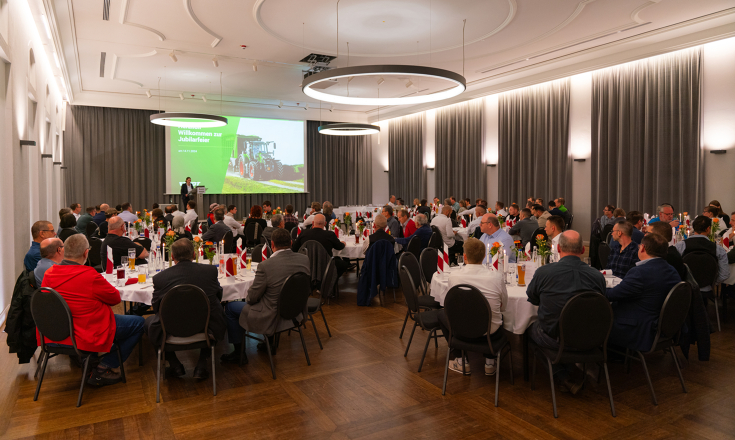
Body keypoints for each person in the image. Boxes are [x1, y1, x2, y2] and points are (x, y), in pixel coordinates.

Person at [40, 234, 145, 387]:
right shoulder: (89, 275)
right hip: (86, 331)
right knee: (139, 323)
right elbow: (115, 299)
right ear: (85, 253)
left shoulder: (49, 274)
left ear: (64, 251)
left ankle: (92, 361)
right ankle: (104, 367)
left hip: (56, 333)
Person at [526, 230, 606, 393]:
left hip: (557, 338)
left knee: (529, 329)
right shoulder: (597, 276)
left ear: (558, 248)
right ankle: (569, 370)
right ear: (583, 250)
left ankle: (561, 375)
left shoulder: (544, 272)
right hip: (591, 337)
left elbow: (533, 299)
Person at [222, 229, 311, 362]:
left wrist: (247, 299)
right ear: (291, 243)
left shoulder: (266, 266)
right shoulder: (304, 259)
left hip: (271, 315)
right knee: (270, 298)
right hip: (295, 312)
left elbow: (252, 298)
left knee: (230, 307)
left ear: (272, 244)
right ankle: (269, 342)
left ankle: (239, 353)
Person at [144, 238, 225, 378]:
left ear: (173, 257)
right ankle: (202, 363)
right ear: (194, 254)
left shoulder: (160, 278)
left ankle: (174, 364)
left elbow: (157, 307)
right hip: (205, 326)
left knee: (148, 323)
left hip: (172, 328)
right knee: (217, 313)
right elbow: (218, 297)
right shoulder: (210, 271)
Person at [440, 238, 508, 375]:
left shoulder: (454, 276)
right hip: (490, 335)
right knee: (499, 316)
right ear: (484, 256)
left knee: (441, 314)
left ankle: (460, 360)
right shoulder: (496, 277)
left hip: (461, 333)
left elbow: (449, 305)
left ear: (464, 257)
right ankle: (490, 362)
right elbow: (503, 307)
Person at [606, 233, 681, 352]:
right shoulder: (672, 270)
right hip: (664, 326)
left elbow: (611, 295)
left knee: (598, 316)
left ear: (643, 248)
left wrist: (596, 285)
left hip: (640, 328)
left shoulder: (639, 272)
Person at [674, 216, 729, 289]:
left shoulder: (680, 246)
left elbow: (674, 269)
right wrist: (711, 282)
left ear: (693, 228)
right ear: (708, 229)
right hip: (707, 288)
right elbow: (724, 274)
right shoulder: (718, 249)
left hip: (685, 290)